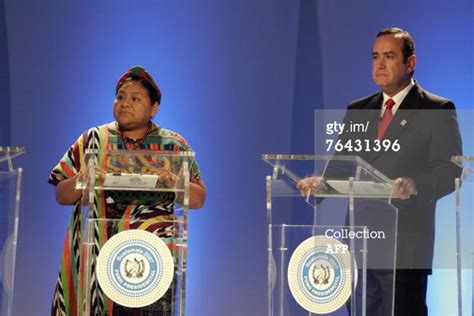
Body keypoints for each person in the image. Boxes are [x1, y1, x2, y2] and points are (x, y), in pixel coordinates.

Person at [298, 27, 462, 315]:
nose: (379, 64)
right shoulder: (358, 109)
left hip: (404, 246)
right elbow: (341, 165)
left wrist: (414, 184)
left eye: (389, 56)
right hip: (359, 242)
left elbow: (449, 172)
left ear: (410, 63)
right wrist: (321, 184)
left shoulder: (436, 110)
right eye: (375, 56)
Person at [48, 66, 206, 315]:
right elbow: (61, 194)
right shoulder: (93, 141)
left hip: (150, 265)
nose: (124, 103)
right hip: (97, 255)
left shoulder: (173, 145)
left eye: (135, 98)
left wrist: (177, 182)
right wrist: (82, 179)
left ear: (154, 108)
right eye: (120, 96)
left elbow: (198, 199)